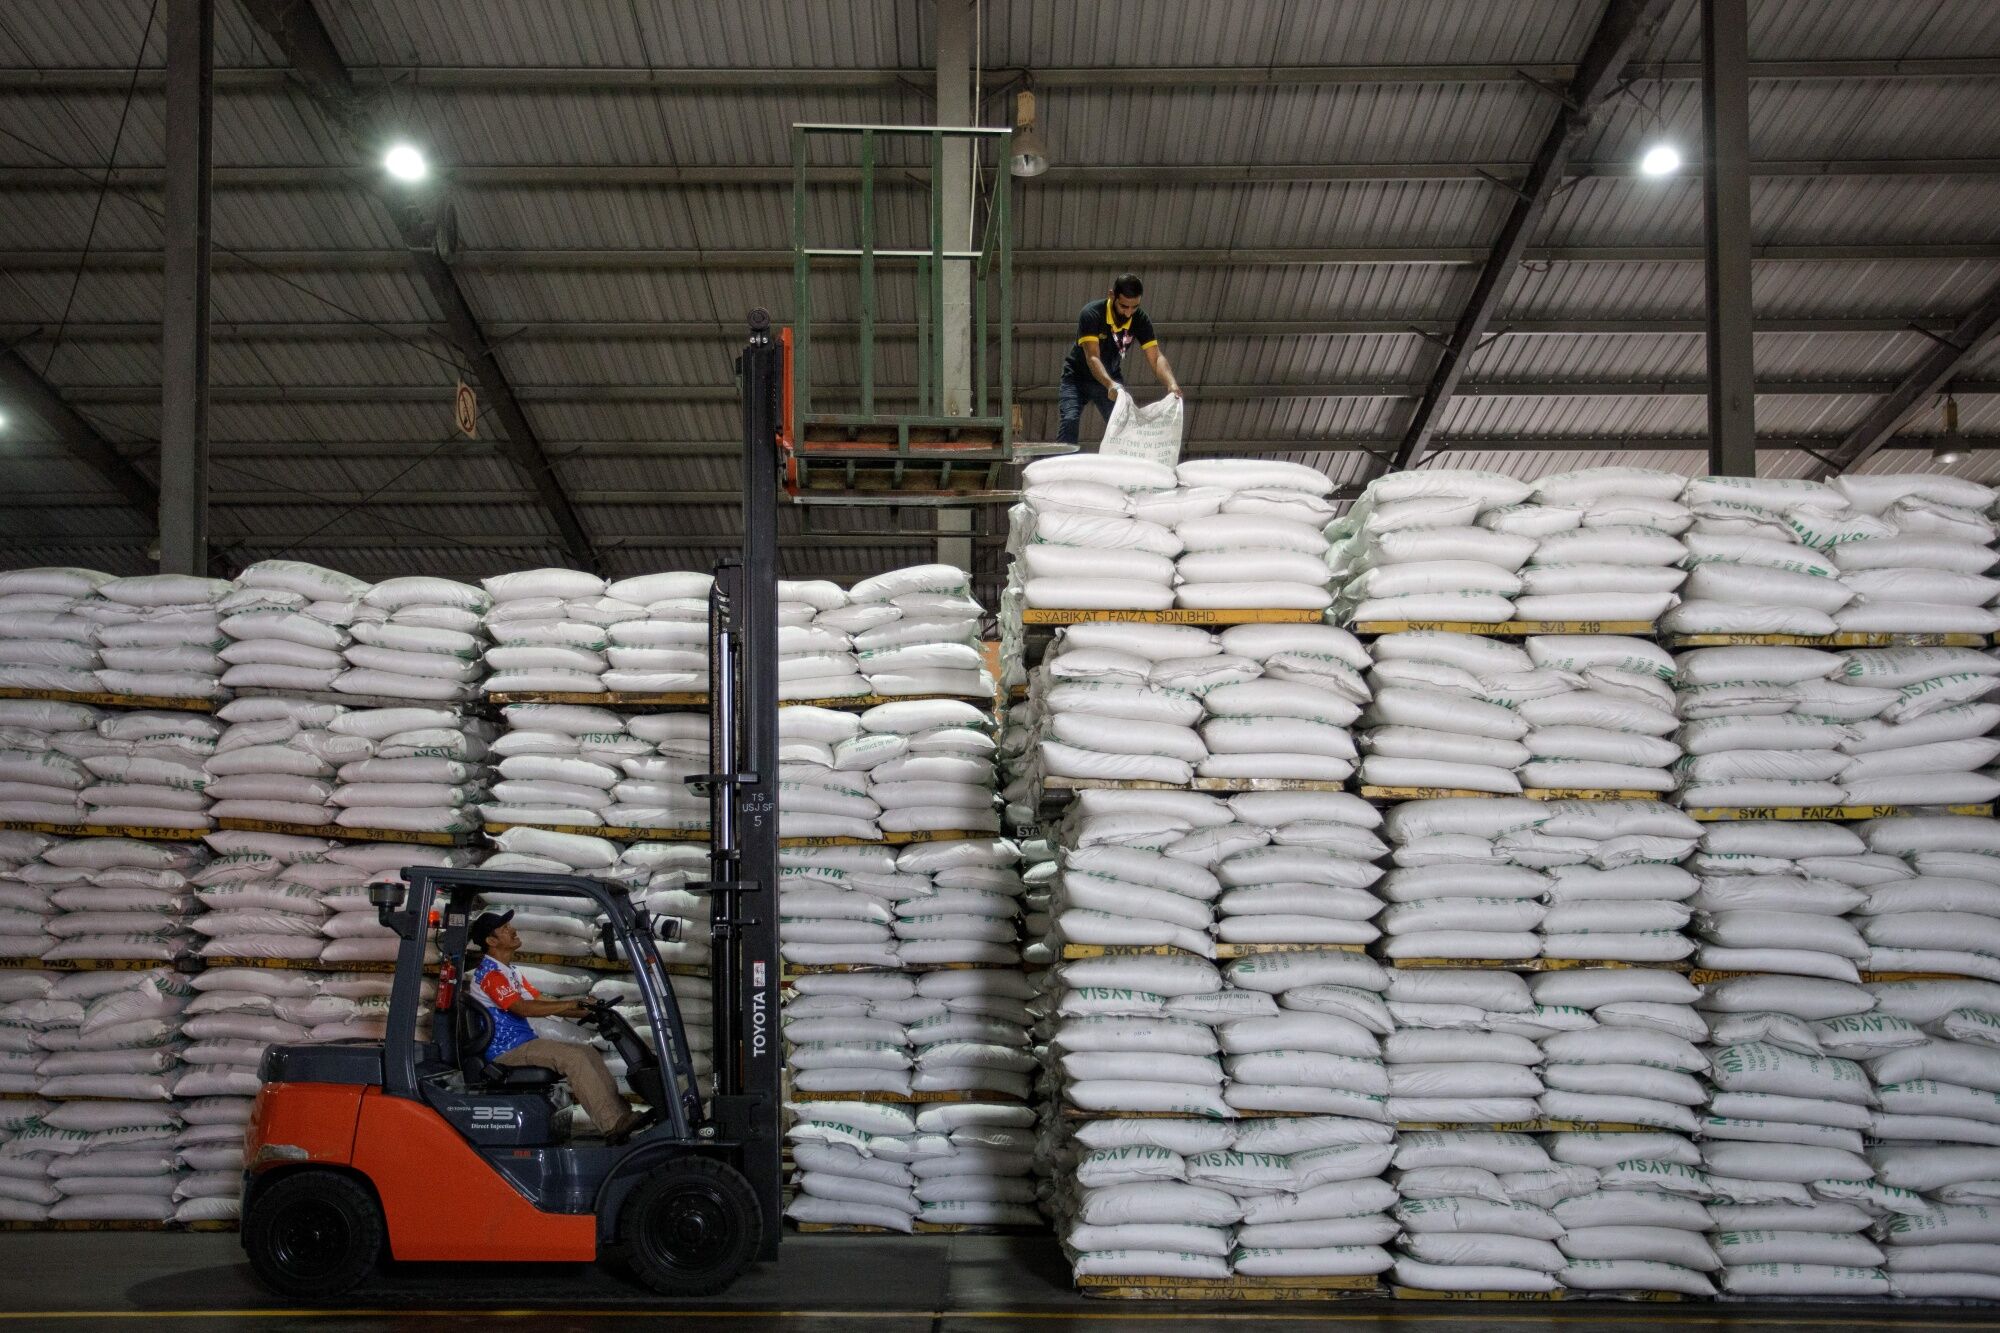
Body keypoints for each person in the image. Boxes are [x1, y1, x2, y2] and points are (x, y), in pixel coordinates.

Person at [466, 909, 640, 1140]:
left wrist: (586, 1009)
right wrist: (570, 1004)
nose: (513, 930)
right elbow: (523, 1008)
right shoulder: (491, 975)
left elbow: (541, 1001)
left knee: (588, 1052)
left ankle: (622, 1116)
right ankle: (611, 1124)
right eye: (505, 928)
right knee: (573, 1058)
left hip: (523, 1044)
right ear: (491, 941)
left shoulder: (510, 972)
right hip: (506, 1050)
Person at [1057, 272, 1183, 446]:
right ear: (1112, 295)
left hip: (1111, 377)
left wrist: (1171, 384)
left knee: (1124, 426)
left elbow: (1155, 357)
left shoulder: (1140, 319)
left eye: (1134, 307)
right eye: (1124, 306)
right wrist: (1110, 384)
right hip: (1077, 378)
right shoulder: (1091, 314)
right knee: (1070, 420)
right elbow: (1092, 357)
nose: (1129, 313)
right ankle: (1062, 459)